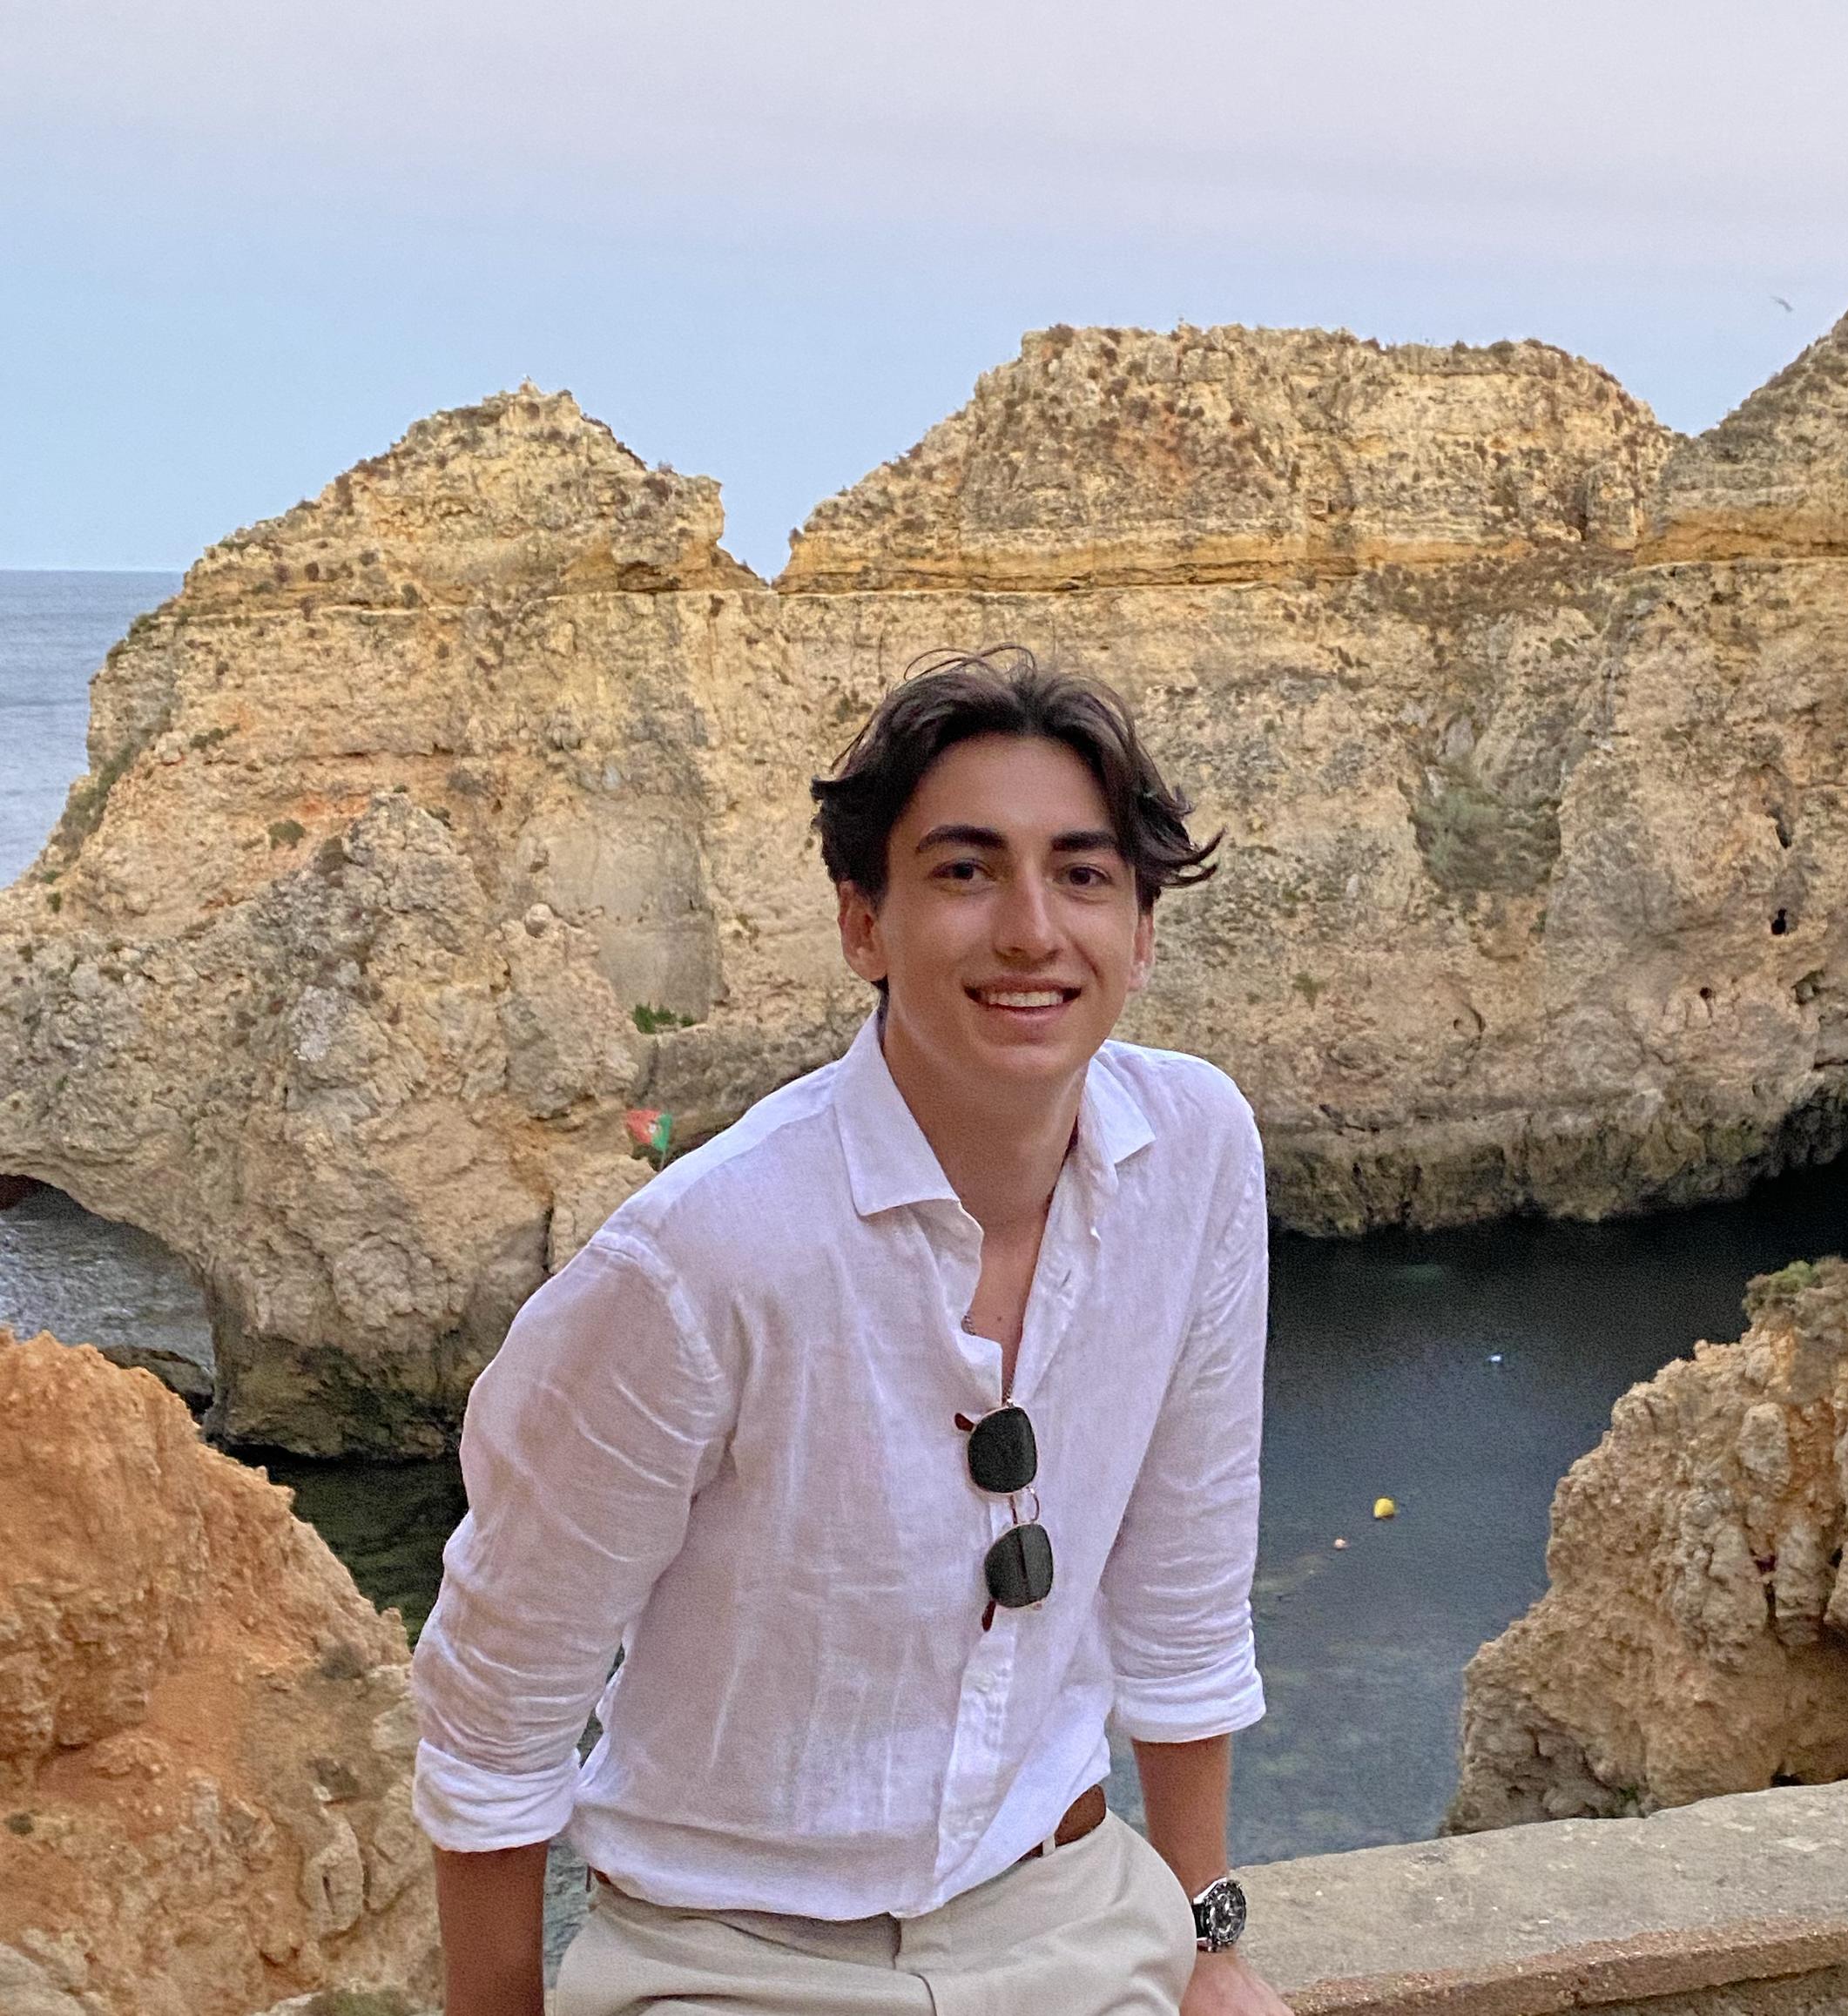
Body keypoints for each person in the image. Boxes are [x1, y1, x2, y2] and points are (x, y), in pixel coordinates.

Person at [412, 645, 1290, 2016]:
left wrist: (1210, 1944)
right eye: (965, 870)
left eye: (1082, 874)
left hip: (1074, 1923)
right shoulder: (701, 1260)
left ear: (1142, 932)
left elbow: (1184, 1592)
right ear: (863, 926)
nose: (1031, 930)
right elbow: (497, 1709)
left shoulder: (1199, 1153)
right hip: (734, 1966)